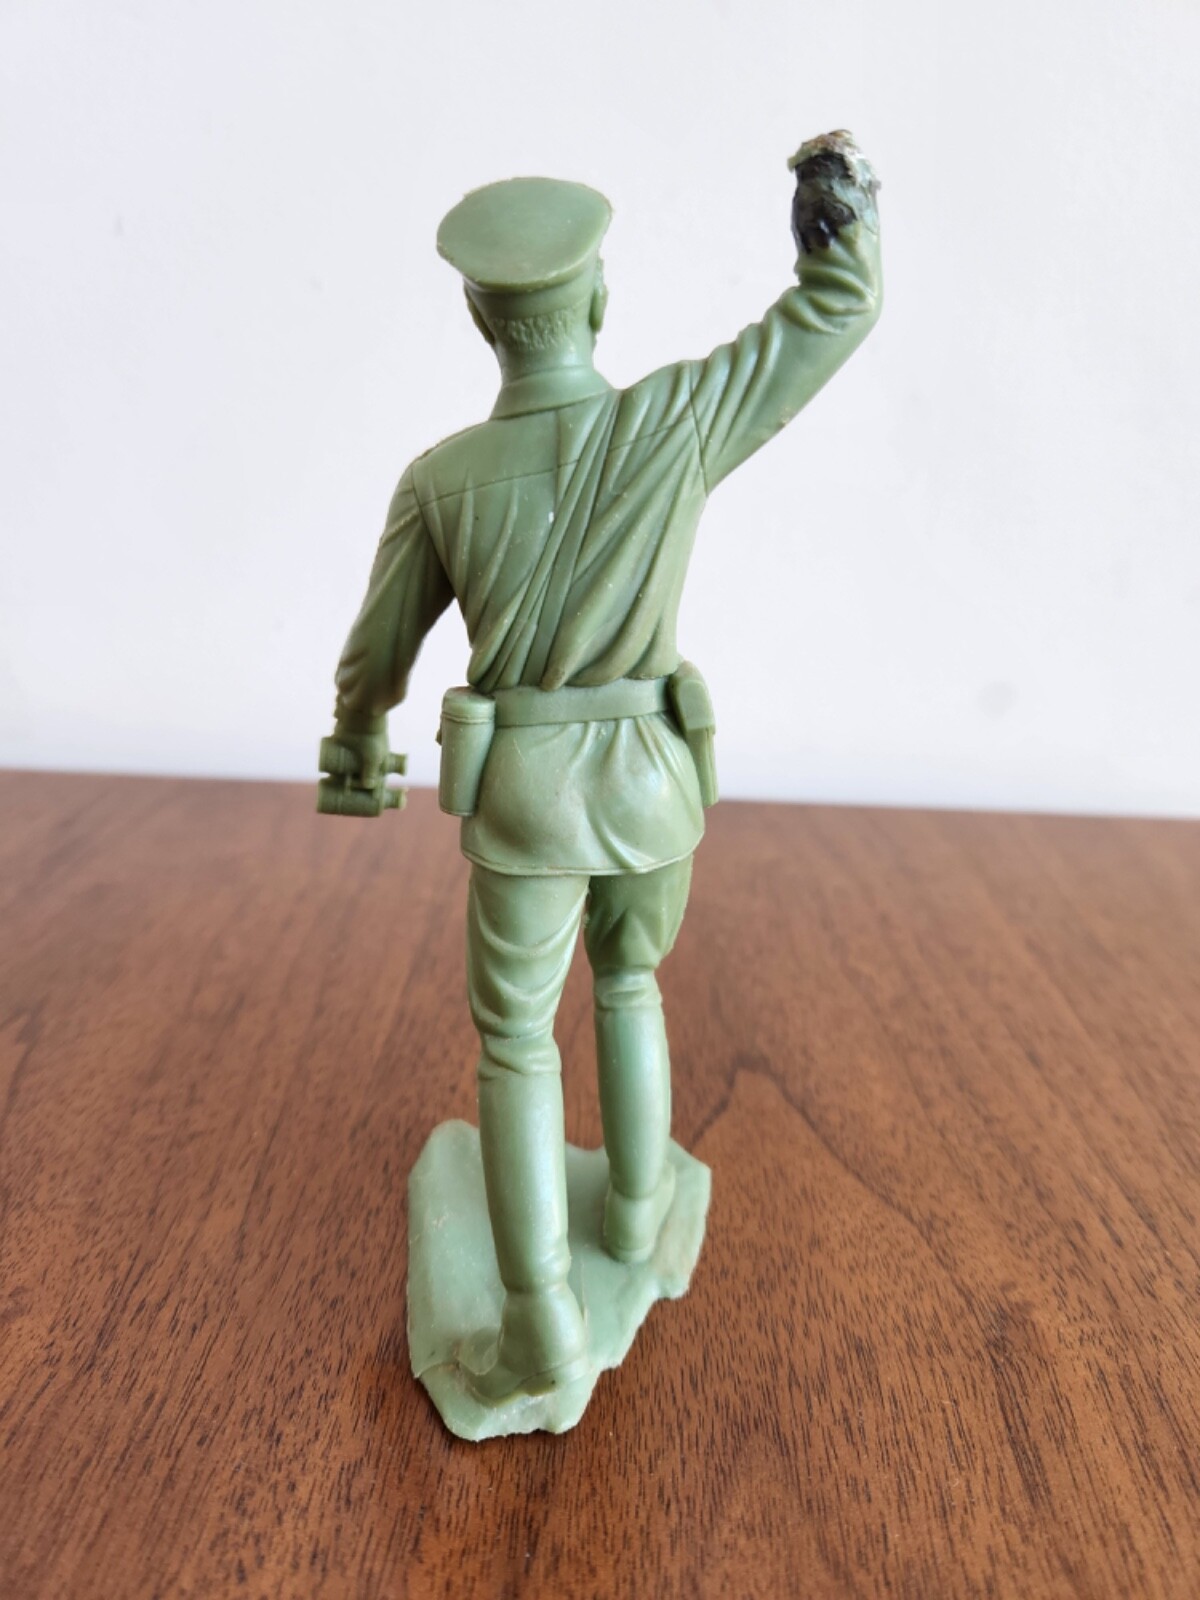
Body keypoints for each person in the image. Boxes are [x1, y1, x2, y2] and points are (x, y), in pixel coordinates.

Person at [320, 133, 882, 1405]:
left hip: (526, 800)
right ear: (601, 302)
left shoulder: (439, 481)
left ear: (482, 320)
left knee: (517, 1044)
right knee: (632, 983)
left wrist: (356, 739)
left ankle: (542, 1329)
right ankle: (635, 1212)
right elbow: (835, 312)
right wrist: (836, 203)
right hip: (650, 784)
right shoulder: (675, 420)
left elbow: (374, 656)